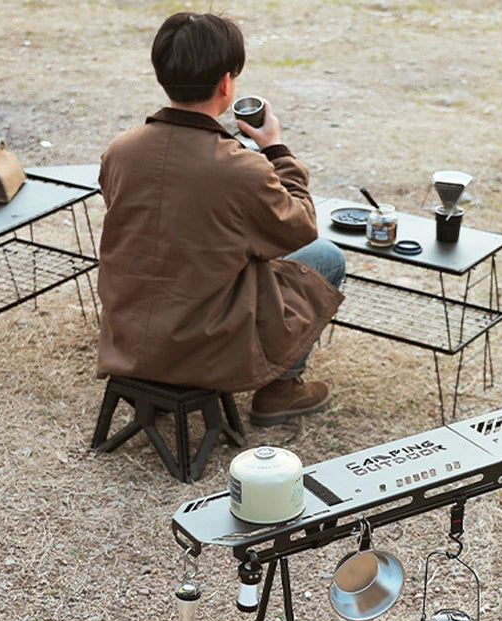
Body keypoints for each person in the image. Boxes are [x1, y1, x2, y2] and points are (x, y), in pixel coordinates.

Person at [96, 11, 345, 425]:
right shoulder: (241, 169)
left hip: (130, 335)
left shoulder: (120, 150)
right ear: (226, 84)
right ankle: (280, 390)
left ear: (162, 73)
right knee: (326, 256)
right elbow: (300, 227)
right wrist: (276, 149)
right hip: (207, 344)